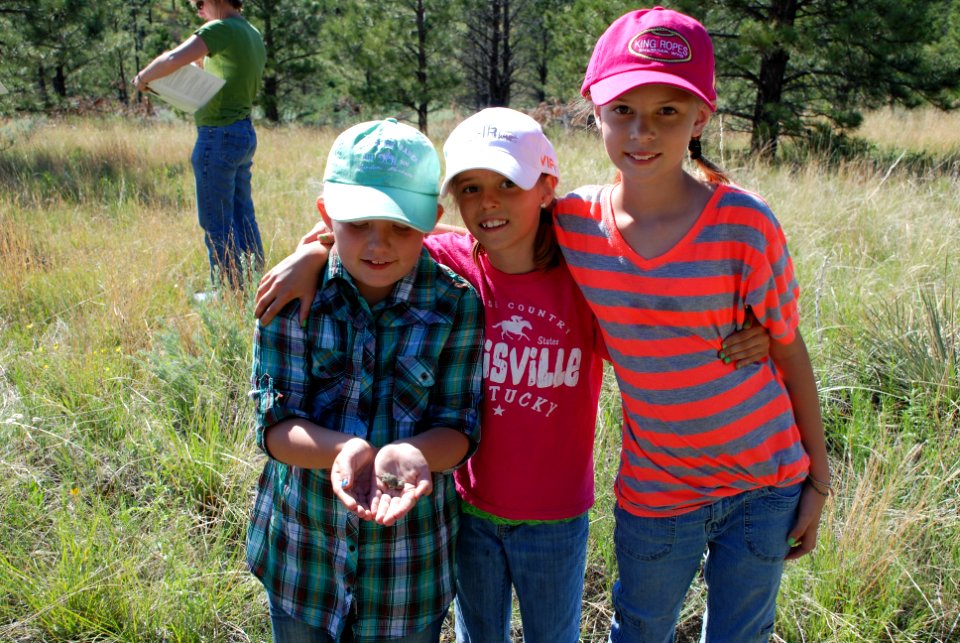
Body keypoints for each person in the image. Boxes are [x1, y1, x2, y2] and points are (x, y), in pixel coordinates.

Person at [254, 110, 771, 642]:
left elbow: (654, 315)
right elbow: (371, 235)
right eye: (471, 188)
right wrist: (313, 252)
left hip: (557, 514)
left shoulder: (581, 273)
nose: (489, 202)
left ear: (547, 187)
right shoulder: (454, 265)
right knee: (477, 634)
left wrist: (750, 330)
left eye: (507, 184)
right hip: (471, 507)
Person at [552, 7, 832, 642]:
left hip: (765, 484)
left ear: (701, 117)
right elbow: (479, 233)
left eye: (668, 112)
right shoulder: (572, 223)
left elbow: (789, 351)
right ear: (595, 109)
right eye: (622, 109)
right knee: (641, 628)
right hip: (658, 492)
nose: (641, 131)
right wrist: (325, 251)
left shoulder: (745, 224)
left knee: (742, 633)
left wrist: (818, 477)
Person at [246, 118, 484, 643]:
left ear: (431, 222)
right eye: (358, 224)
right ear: (328, 217)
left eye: (402, 226)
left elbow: (460, 428)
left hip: (409, 569)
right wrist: (345, 448)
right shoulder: (289, 301)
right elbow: (276, 428)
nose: (380, 245)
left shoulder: (457, 304)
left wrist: (416, 454)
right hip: (302, 559)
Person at [133, 0, 265, 291]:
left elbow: (171, 60)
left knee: (217, 223)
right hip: (242, 132)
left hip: (217, 136)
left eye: (200, 4)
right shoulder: (251, 32)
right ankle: (255, 286)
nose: (200, 12)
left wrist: (142, 78)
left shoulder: (221, 28)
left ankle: (228, 296)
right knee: (244, 218)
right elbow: (220, 73)